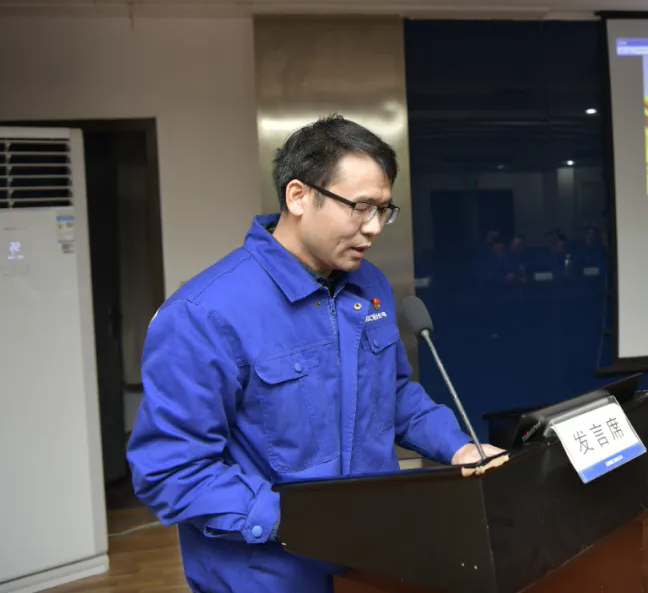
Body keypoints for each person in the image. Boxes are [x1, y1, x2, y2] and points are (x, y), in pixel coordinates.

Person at [127, 115, 503, 592]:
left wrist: (459, 446)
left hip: (374, 561)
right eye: (360, 207)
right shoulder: (203, 313)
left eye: (384, 210)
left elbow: (393, 395)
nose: (374, 228)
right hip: (268, 575)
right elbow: (171, 470)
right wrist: (304, 523)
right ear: (298, 196)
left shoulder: (370, 283)